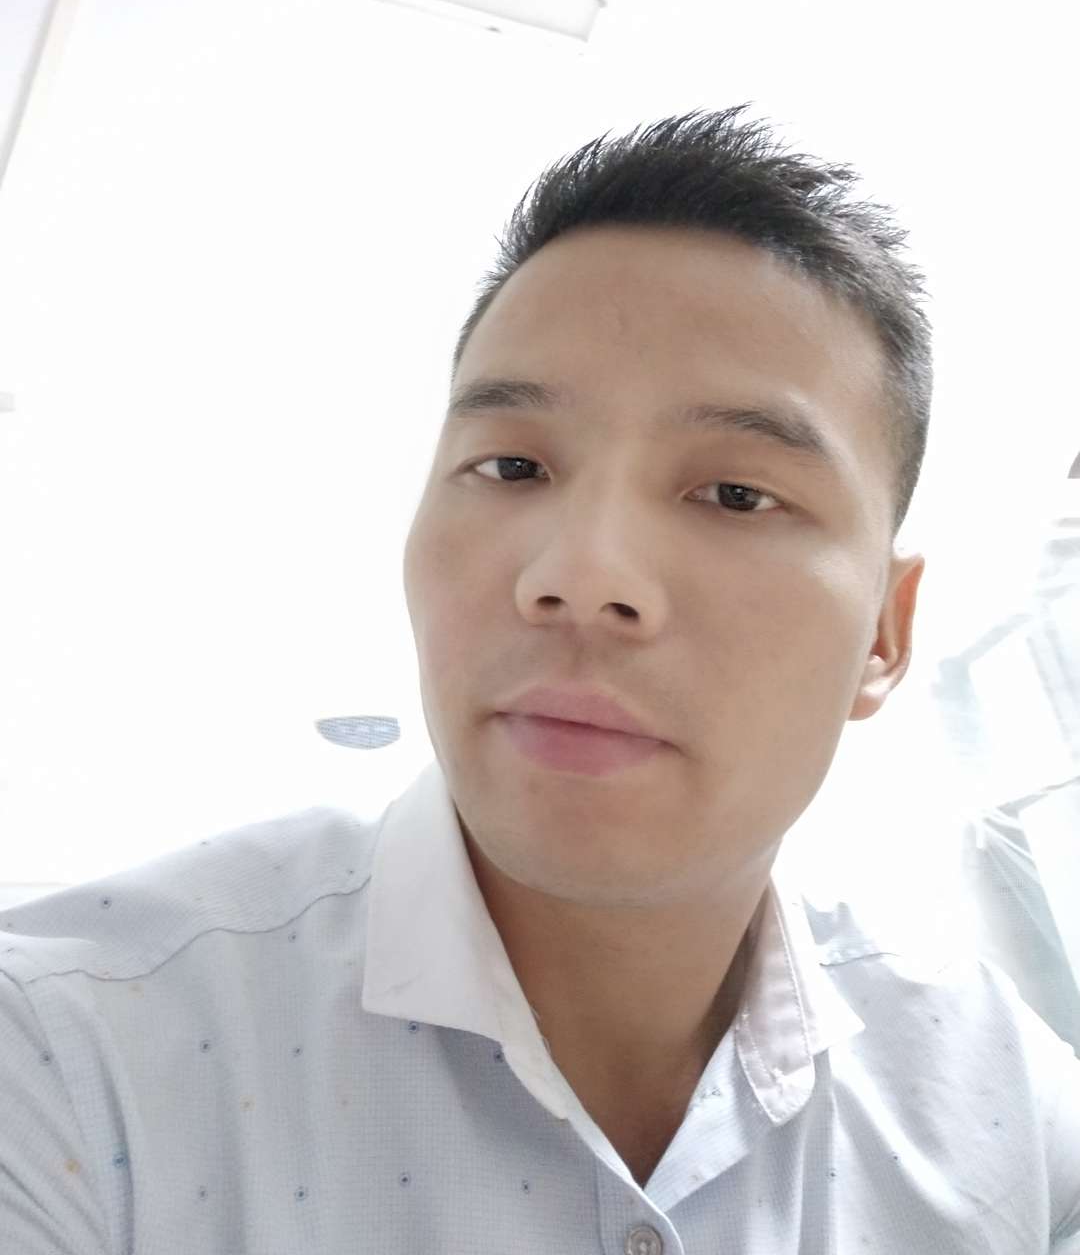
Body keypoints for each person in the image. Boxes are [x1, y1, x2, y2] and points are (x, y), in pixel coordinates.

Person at [3, 107, 1078, 1252]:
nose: (580, 575)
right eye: (512, 465)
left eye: (735, 494)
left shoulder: (1010, 1116)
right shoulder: (68, 1062)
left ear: (885, 633)